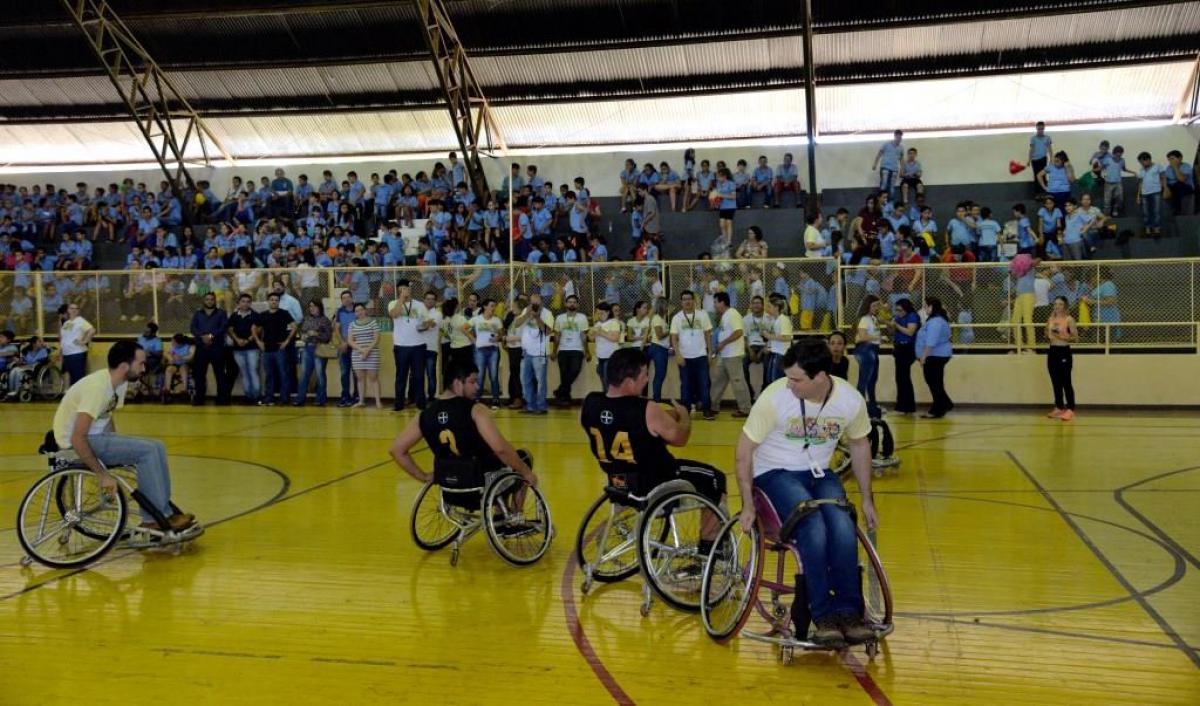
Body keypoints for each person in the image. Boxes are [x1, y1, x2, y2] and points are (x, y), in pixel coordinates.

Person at [734, 339, 878, 647]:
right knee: (812, 526)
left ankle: (849, 612)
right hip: (774, 473)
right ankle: (821, 614)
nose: (789, 384)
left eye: (796, 379)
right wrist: (747, 503)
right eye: (788, 377)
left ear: (821, 377)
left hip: (819, 472)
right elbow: (744, 453)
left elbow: (859, 445)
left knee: (842, 525)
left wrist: (867, 498)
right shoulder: (774, 398)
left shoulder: (849, 400)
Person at [581, 347, 726, 547]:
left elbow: (625, 425)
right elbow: (680, 438)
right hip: (658, 483)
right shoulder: (646, 409)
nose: (647, 379)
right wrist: (684, 416)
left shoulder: (590, 403)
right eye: (644, 374)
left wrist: (665, 418)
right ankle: (710, 549)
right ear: (629, 382)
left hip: (619, 484)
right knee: (716, 478)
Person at [52, 340, 196, 531]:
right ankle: (153, 519)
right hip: (76, 442)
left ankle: (164, 512)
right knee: (147, 451)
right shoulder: (97, 387)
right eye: (141, 364)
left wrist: (119, 448)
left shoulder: (118, 384)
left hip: (96, 438)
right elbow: (77, 437)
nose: (144, 368)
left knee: (157, 446)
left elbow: (107, 417)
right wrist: (102, 475)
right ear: (124, 366)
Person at [389, 360, 537, 490]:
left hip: (448, 485)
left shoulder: (424, 414)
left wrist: (424, 477)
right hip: (479, 483)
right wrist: (526, 472)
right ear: (458, 383)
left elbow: (397, 450)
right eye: (472, 382)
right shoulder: (475, 410)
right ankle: (516, 512)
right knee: (523, 457)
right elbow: (501, 449)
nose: (477, 387)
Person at [670, 290, 714, 420]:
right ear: (681, 302)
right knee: (686, 385)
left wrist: (710, 352)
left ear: (694, 300)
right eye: (684, 299)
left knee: (704, 384)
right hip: (684, 357)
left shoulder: (702, 315)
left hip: (701, 356)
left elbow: (707, 334)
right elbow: (674, 338)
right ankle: (686, 411)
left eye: (689, 299)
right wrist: (678, 355)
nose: (687, 301)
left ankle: (706, 409)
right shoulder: (677, 318)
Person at [708, 291, 752, 418]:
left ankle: (745, 409)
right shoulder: (725, 316)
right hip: (724, 355)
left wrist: (723, 343)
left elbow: (738, 332)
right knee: (718, 381)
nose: (714, 305)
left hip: (733, 355)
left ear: (722, 302)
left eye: (715, 302)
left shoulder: (733, 314)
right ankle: (713, 407)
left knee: (738, 382)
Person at [388, 279, 430, 411]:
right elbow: (394, 314)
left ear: (410, 290)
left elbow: (427, 322)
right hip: (401, 346)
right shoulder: (393, 303)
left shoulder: (420, 305)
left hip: (418, 345)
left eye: (405, 289)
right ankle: (399, 404)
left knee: (418, 376)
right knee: (401, 376)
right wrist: (401, 298)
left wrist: (425, 326)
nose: (404, 291)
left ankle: (421, 403)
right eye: (401, 290)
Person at [189, 292, 234, 405]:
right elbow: (193, 328)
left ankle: (222, 399)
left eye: (211, 299)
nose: (209, 301)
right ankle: (199, 399)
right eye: (207, 299)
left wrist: (210, 336)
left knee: (219, 374)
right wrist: (202, 336)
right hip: (201, 348)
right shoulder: (198, 314)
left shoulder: (221, 313)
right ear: (203, 301)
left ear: (215, 301)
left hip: (217, 348)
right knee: (199, 374)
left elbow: (223, 327)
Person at [514, 292, 555, 415]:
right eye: (532, 302)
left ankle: (541, 406)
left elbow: (548, 331)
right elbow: (516, 324)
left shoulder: (548, 314)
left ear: (542, 302)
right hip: (526, 351)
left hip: (540, 352)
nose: (534, 305)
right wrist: (527, 314)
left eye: (536, 302)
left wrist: (537, 318)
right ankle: (530, 405)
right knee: (525, 380)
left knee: (541, 381)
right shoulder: (526, 310)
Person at [916, 297, 954, 418]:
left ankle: (937, 409)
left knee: (934, 383)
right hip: (936, 355)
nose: (924, 309)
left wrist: (924, 356)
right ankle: (945, 404)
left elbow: (931, 341)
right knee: (935, 382)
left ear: (931, 307)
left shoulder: (936, 322)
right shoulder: (936, 320)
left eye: (925, 306)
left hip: (934, 356)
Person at [259, 292, 297, 406]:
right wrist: (258, 341)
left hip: (280, 349)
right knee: (269, 375)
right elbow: (254, 328)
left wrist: (287, 341)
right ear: (268, 301)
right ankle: (269, 397)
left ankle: (284, 398)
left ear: (279, 302)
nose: (274, 302)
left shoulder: (284, 313)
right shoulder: (263, 315)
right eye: (272, 300)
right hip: (267, 349)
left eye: (276, 300)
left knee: (283, 374)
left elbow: (294, 327)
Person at [1045, 295, 1077, 421]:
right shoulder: (1051, 319)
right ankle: (1059, 406)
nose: (1057, 306)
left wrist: (1063, 337)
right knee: (1055, 381)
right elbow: (1047, 333)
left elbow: (1075, 337)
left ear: (1065, 306)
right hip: (1052, 351)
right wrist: (1048, 333)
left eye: (1060, 304)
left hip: (1064, 351)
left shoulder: (1069, 319)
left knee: (1066, 381)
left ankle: (1070, 409)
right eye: (1055, 304)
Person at [296, 299, 333, 407]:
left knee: (320, 374)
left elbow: (327, 337)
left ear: (319, 307)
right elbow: (302, 332)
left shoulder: (325, 320)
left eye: (314, 306)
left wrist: (316, 334)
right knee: (304, 375)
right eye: (310, 306)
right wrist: (303, 336)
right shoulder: (306, 319)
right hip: (307, 348)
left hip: (319, 348)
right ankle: (300, 399)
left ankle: (320, 399)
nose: (312, 308)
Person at [227, 293, 262, 404]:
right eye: (243, 301)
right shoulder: (234, 316)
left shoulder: (255, 315)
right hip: (238, 349)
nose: (245, 304)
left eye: (248, 302)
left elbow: (258, 330)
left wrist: (247, 340)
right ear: (238, 303)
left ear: (250, 303)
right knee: (244, 372)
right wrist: (237, 340)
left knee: (253, 371)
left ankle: (256, 396)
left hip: (252, 348)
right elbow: (230, 330)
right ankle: (248, 396)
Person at [468, 299, 503, 410]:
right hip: (480, 350)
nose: (493, 308)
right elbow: (463, 328)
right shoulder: (476, 319)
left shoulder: (497, 320)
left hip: (493, 350)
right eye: (491, 306)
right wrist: (473, 339)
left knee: (494, 376)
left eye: (494, 306)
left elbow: (501, 333)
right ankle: (477, 399)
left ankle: (496, 399)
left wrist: (498, 338)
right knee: (480, 376)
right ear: (485, 306)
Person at [887, 298, 920, 415]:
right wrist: (890, 325)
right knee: (900, 378)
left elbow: (910, 332)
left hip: (908, 348)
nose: (898, 312)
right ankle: (904, 406)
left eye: (900, 310)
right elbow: (892, 332)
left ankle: (905, 406)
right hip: (899, 348)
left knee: (903, 378)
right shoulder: (898, 317)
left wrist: (897, 325)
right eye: (896, 310)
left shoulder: (912, 316)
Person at [854, 296, 883, 419]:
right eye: (874, 306)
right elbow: (863, 336)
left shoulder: (873, 318)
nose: (877, 308)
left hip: (873, 349)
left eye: (877, 305)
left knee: (872, 380)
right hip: (866, 349)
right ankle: (860, 408)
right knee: (865, 380)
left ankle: (872, 406)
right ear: (868, 306)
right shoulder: (865, 319)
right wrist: (878, 338)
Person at [349, 303, 382, 409]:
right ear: (354, 313)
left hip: (372, 353)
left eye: (361, 310)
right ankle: (361, 401)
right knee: (360, 378)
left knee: (374, 378)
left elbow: (376, 338)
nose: (359, 312)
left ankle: (378, 402)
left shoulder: (373, 322)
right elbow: (350, 341)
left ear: (365, 310)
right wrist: (362, 350)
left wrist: (367, 350)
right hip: (357, 354)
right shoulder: (352, 324)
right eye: (357, 311)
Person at [332, 290, 359, 407]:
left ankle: (357, 396)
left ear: (352, 298)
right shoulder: (340, 311)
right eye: (344, 298)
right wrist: (342, 342)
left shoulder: (358, 310)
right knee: (344, 373)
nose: (346, 300)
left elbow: (360, 327)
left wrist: (349, 342)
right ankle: (345, 396)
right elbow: (336, 328)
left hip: (356, 347)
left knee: (356, 373)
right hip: (344, 347)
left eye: (348, 297)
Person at [59, 301, 94, 387]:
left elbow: (92, 330)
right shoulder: (66, 323)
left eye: (76, 309)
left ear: (78, 311)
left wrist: (84, 341)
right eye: (72, 308)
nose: (74, 310)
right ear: (68, 310)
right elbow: (64, 337)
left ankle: (80, 394)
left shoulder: (80, 320)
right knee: (70, 377)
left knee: (78, 378)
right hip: (67, 354)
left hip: (77, 353)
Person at [591, 302, 622, 389]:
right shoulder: (597, 324)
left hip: (610, 356)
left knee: (607, 382)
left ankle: (609, 397)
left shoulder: (614, 322)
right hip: (600, 357)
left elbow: (615, 338)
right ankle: (606, 396)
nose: (599, 315)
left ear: (608, 312)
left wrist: (601, 332)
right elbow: (591, 338)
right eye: (598, 313)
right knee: (603, 382)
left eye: (602, 313)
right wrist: (592, 332)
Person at [762, 295, 792, 384]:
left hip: (781, 354)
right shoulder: (775, 320)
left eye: (769, 307)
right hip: (775, 352)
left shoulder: (783, 320)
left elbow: (787, 337)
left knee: (775, 381)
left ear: (776, 307)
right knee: (770, 380)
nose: (767, 309)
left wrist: (769, 336)